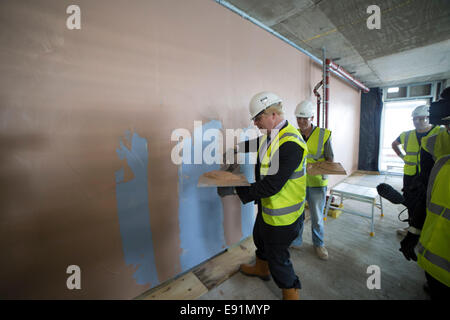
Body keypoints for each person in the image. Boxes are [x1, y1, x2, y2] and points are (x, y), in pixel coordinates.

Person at [217, 91, 308, 300]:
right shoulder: (273, 135)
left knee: (279, 257)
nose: (255, 123)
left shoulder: (291, 144)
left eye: (258, 118)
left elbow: (271, 186)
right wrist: (235, 150)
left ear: (273, 114)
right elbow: (257, 143)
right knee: (259, 238)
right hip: (269, 208)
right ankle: (261, 269)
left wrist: (234, 189)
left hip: (284, 216)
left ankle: (291, 292)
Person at [399, 89, 450, 299]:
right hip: (411, 177)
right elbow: (429, 200)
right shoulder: (436, 144)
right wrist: (415, 228)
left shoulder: (434, 137)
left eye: (421, 118)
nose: (418, 122)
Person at [290, 100, 333, 260]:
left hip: (316, 183)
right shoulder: (292, 133)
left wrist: (315, 168)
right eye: (298, 118)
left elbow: (330, 159)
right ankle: (296, 240)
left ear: (312, 117)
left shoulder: (324, 134)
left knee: (316, 216)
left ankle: (319, 244)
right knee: (297, 214)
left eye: (304, 119)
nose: (301, 122)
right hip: (297, 183)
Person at [391, 105, 442, 236]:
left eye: (421, 118)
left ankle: (427, 229)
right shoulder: (406, 135)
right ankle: (412, 228)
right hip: (410, 174)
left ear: (428, 118)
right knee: (410, 200)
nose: (418, 122)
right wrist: (403, 157)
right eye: (415, 119)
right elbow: (394, 144)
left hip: (431, 174)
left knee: (428, 201)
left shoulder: (439, 132)